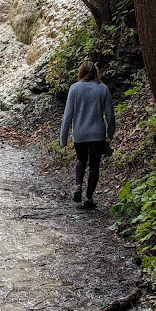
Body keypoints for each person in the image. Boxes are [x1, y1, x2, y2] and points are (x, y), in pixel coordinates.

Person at [59, 61, 115, 209]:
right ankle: (89, 197)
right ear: (96, 72)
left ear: (81, 72)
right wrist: (110, 133)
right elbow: (110, 115)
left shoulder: (74, 89)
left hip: (80, 133)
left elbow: (68, 115)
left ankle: (78, 186)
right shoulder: (103, 89)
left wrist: (63, 138)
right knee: (94, 165)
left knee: (81, 159)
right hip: (97, 134)